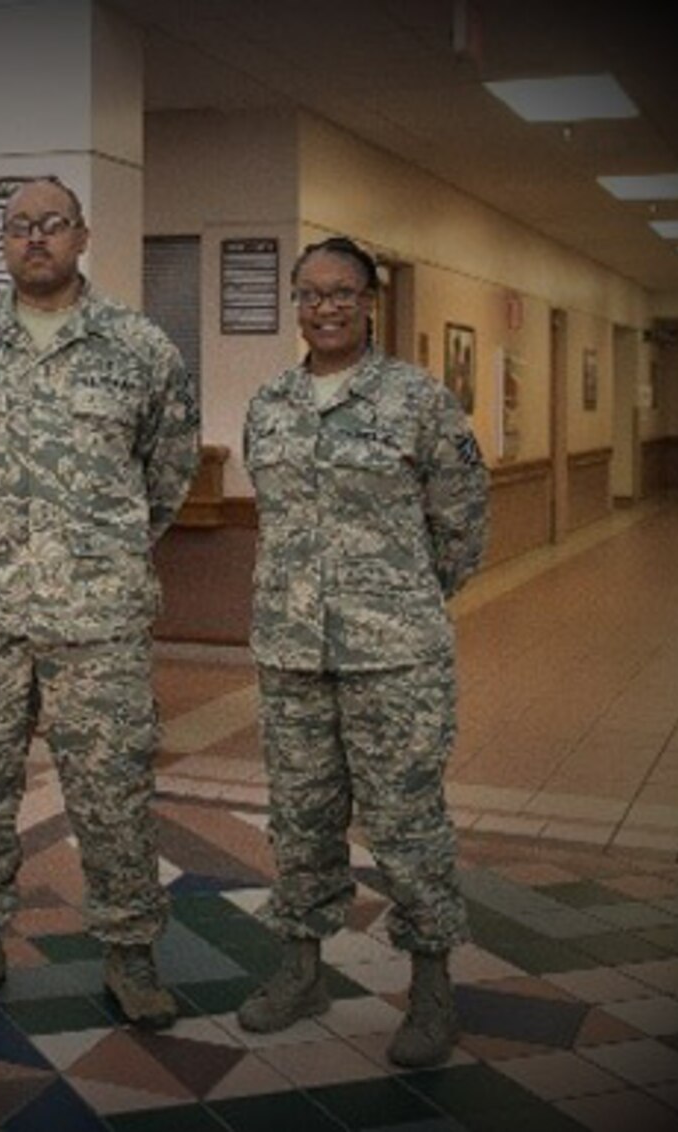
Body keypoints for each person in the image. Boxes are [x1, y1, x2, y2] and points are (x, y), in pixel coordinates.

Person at [0, 177, 202, 1030]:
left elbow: (168, 469)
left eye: (53, 225)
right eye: (19, 226)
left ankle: (130, 950)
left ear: (83, 235)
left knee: (111, 790)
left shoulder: (139, 348)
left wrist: (100, 549)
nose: (36, 238)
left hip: (97, 619)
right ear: (5, 242)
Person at [238, 235, 489, 1068]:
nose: (325, 307)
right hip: (291, 655)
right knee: (300, 822)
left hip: (395, 660)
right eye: (308, 294)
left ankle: (432, 991)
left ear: (370, 300)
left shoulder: (418, 400)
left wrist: (399, 601)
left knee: (407, 826)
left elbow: (460, 525)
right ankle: (302, 970)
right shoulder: (270, 403)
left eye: (341, 291)